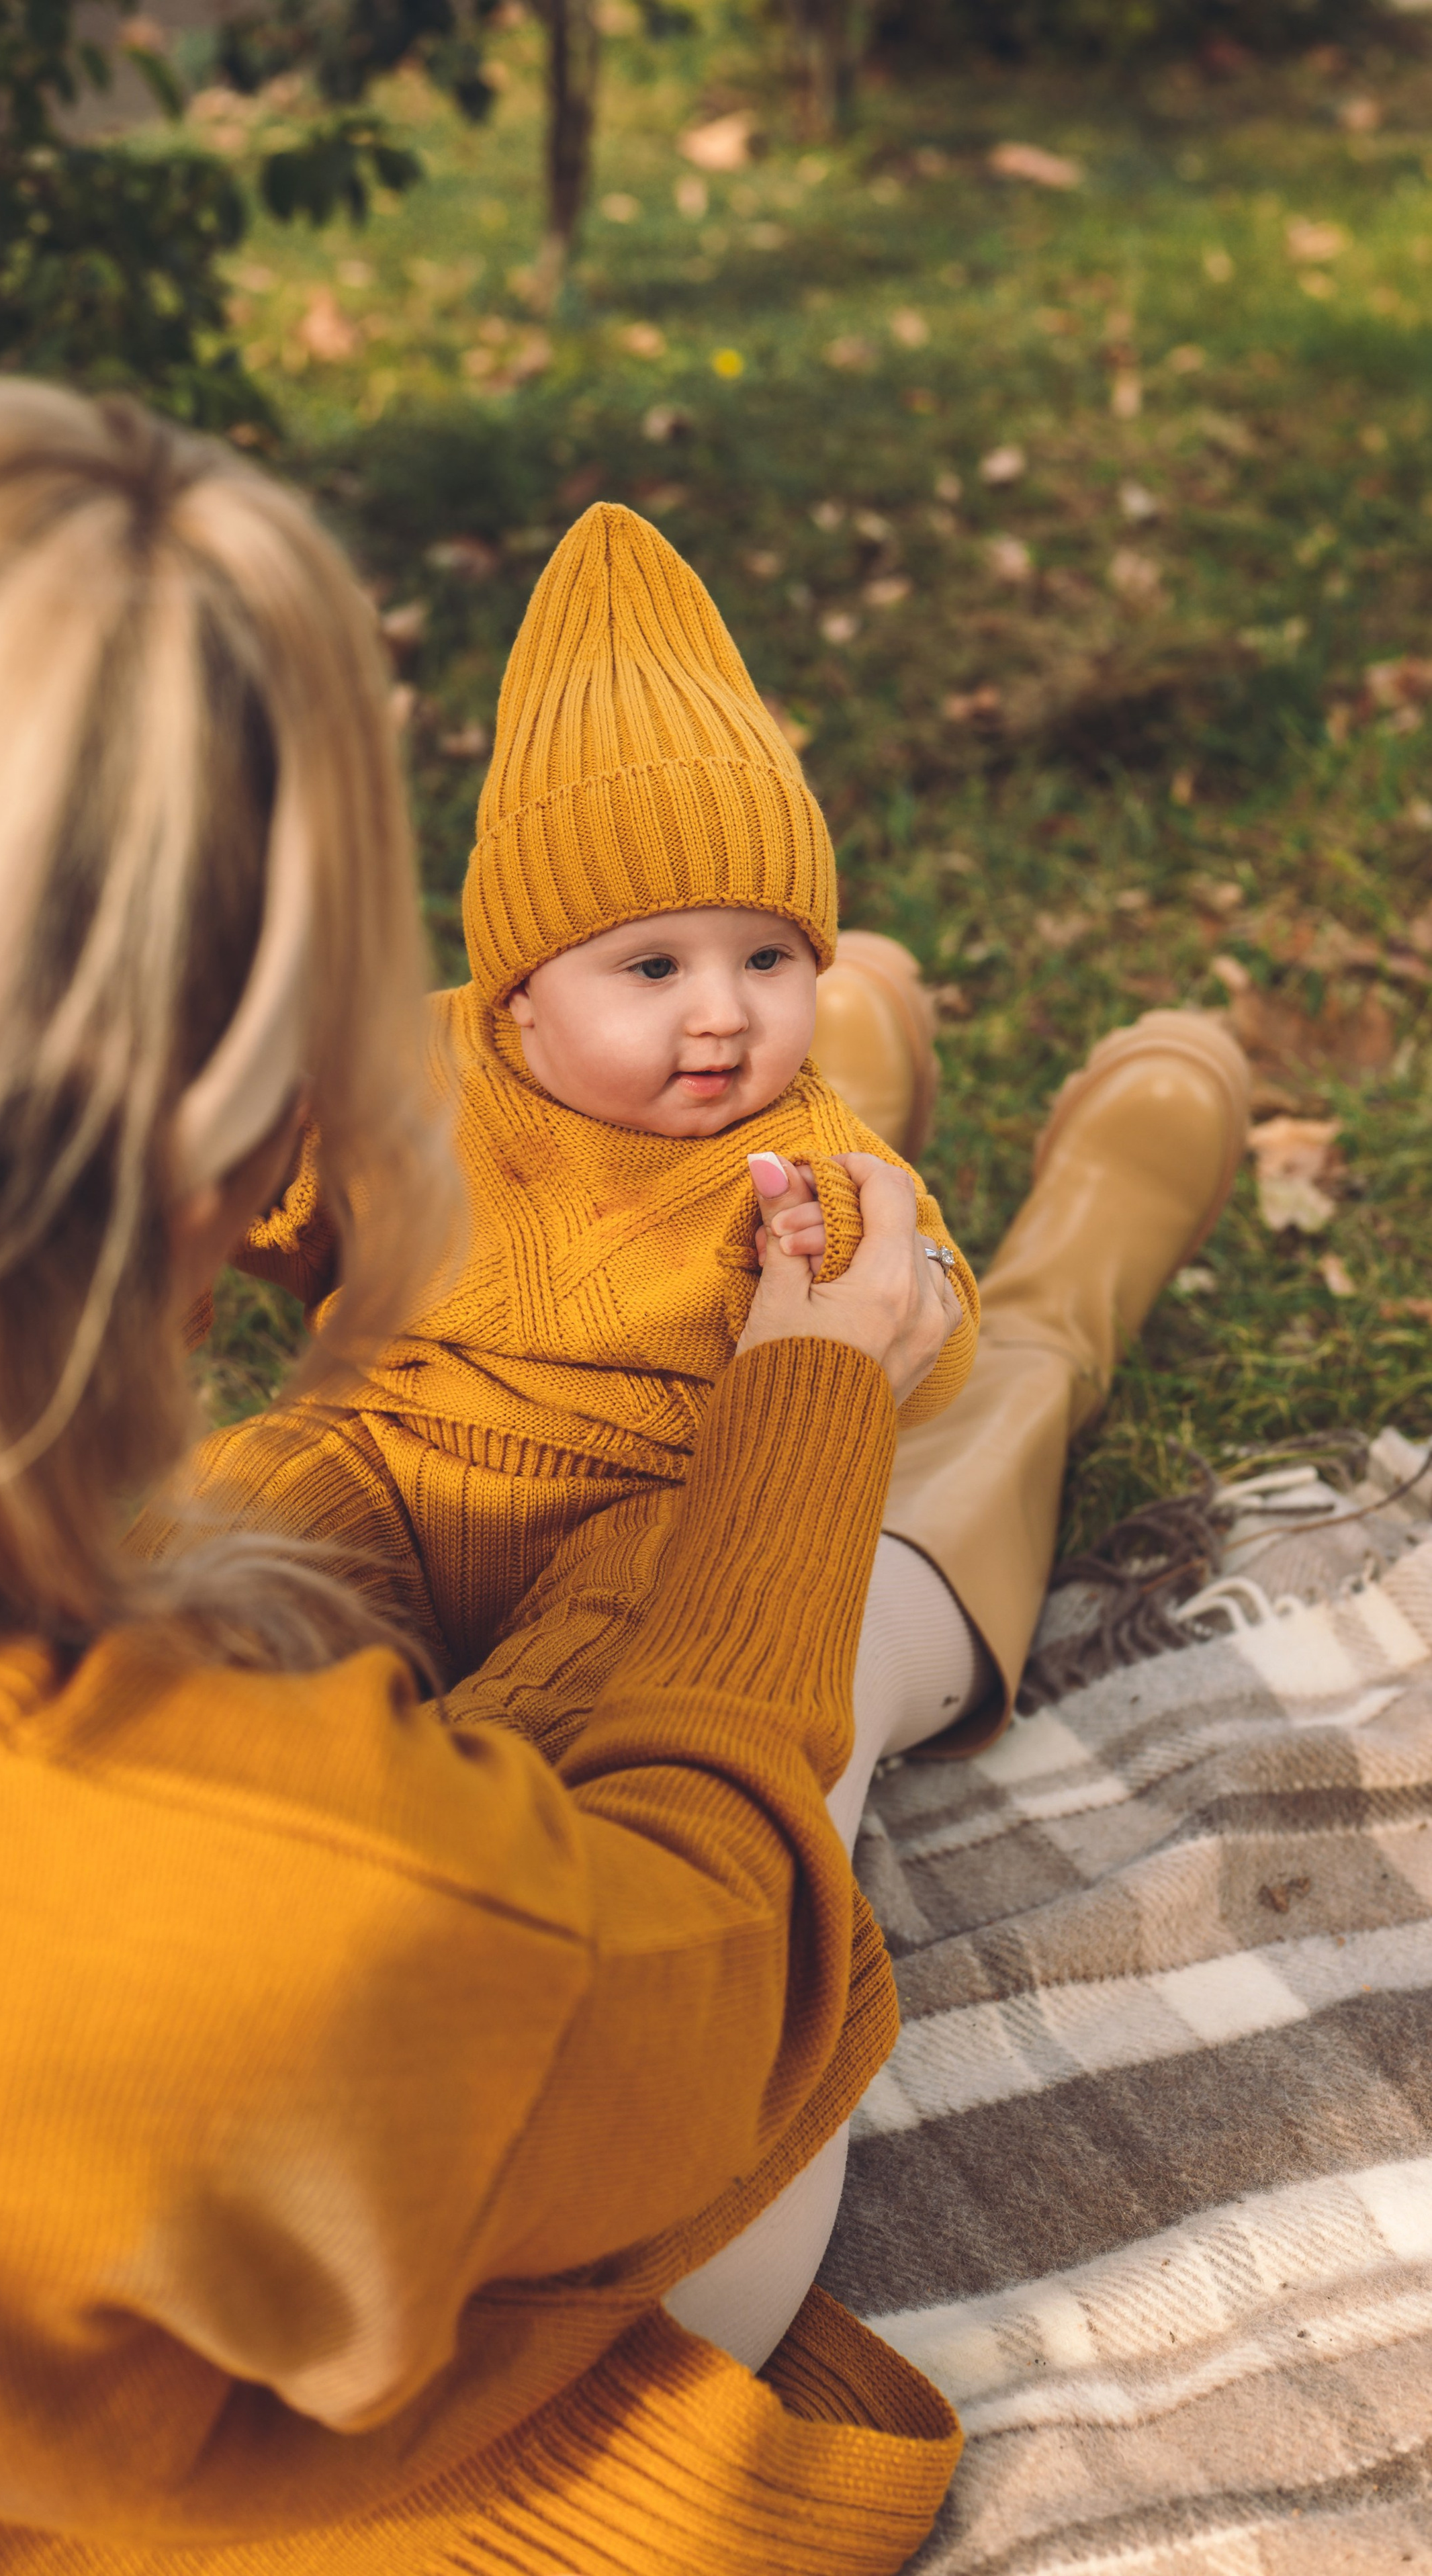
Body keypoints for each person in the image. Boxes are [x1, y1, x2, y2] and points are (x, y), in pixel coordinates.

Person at [0, 380, 973, 2576]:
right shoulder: (282, 1881)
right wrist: (799, 1423)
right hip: (430, 2327)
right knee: (825, 1653)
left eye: (767, 967)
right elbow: (717, 2005)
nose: (712, 1017)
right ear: (240, 1145)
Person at [190, 503, 1252, 2368]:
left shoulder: (802, 1169)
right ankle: (227, 1727)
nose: (728, 1017)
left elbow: (885, 1340)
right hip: (406, 1436)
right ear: (516, 988)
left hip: (640, 1492)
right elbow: (287, 1196)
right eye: (657, 969)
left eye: (774, 962)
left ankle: (1021, 1183)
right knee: (251, 1529)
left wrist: (890, 1299)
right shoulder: (424, 1072)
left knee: (642, 1657)